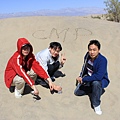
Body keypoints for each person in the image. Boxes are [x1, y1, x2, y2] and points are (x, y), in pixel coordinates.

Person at [74, 40, 110, 115]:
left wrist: (83, 79)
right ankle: (95, 91)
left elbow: (99, 76)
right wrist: (80, 77)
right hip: (89, 78)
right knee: (77, 92)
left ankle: (96, 104)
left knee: (96, 83)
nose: (92, 52)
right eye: (90, 50)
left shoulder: (102, 60)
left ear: (98, 50)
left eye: (94, 50)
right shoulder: (87, 56)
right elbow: (84, 68)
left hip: (100, 80)